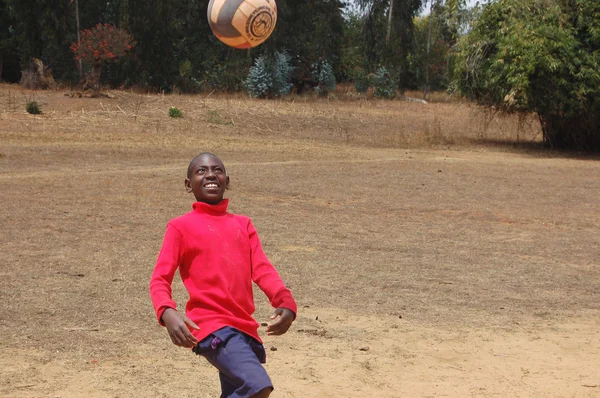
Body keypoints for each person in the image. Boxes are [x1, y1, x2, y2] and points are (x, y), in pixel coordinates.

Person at [150, 152, 297, 398]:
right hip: (213, 326)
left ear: (227, 181)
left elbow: (262, 269)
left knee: (238, 391)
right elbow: (159, 279)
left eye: (217, 170)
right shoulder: (179, 227)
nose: (210, 175)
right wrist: (167, 312)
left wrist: (285, 301)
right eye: (201, 171)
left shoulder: (244, 224)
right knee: (257, 386)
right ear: (188, 185)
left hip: (244, 327)